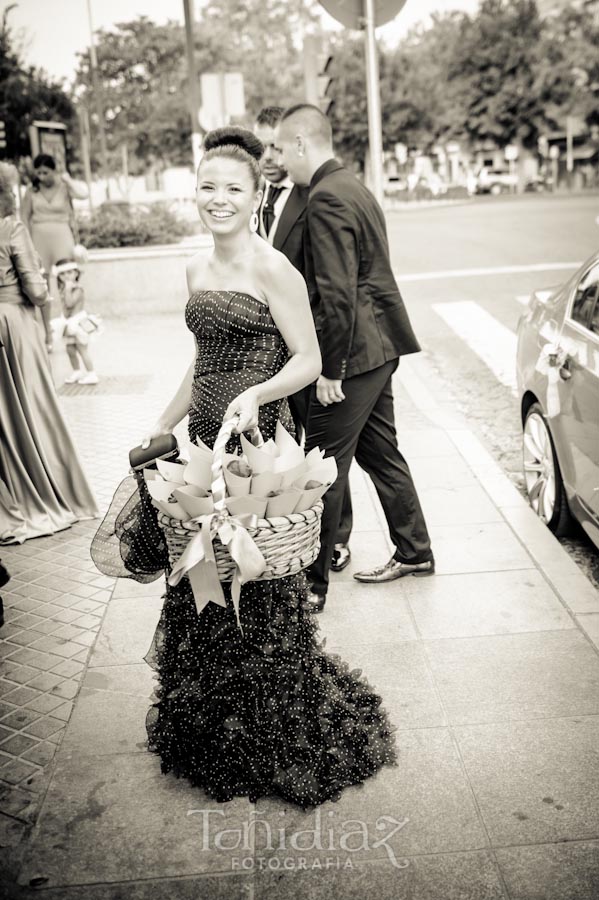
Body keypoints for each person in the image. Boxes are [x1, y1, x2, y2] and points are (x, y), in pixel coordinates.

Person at [102, 127, 397, 808]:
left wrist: (255, 396)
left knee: (257, 580)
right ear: (195, 193)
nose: (217, 199)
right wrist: (165, 421)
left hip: (260, 445)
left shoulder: (272, 268)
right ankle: (216, 723)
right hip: (204, 443)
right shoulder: (194, 270)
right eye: (207, 187)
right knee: (201, 577)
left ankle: (270, 730)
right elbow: (200, 358)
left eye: (232, 188)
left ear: (256, 193)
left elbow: (309, 361)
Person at [275, 104, 434, 613]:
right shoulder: (353, 185)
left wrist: (329, 370)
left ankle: (313, 586)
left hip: (354, 356)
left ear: (301, 143)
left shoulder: (324, 198)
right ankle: (415, 551)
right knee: (381, 453)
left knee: (323, 466)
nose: (278, 160)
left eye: (280, 148)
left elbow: (337, 294)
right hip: (378, 347)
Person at [254, 106, 352, 574]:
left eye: (275, 146)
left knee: (322, 440)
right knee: (286, 439)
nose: (268, 157)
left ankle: (333, 538)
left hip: (304, 340)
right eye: (262, 148)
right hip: (265, 345)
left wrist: (327, 361)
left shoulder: (313, 194)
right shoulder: (252, 198)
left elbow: (328, 283)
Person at [0, 166, 98, 543]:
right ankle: (49, 494)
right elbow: (37, 289)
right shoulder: (10, 227)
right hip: (15, 323)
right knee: (36, 407)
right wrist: (42, 290)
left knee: (5, 415)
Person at [20, 154, 88, 280]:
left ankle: (68, 298)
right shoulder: (32, 190)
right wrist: (27, 240)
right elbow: (24, 216)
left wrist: (68, 180)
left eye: (45, 172)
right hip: (39, 236)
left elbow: (84, 195)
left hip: (62, 233)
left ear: (54, 170)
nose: (42, 177)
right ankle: (46, 300)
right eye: (38, 173)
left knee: (67, 272)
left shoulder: (64, 186)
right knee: (41, 275)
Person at [55, 258, 101, 385]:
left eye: (69, 272)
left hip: (78, 323)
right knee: (70, 348)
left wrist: (68, 290)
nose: (66, 276)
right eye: (63, 274)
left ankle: (92, 374)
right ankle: (76, 371)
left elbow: (69, 304)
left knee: (82, 349)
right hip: (68, 322)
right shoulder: (64, 288)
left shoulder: (77, 289)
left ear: (76, 273)